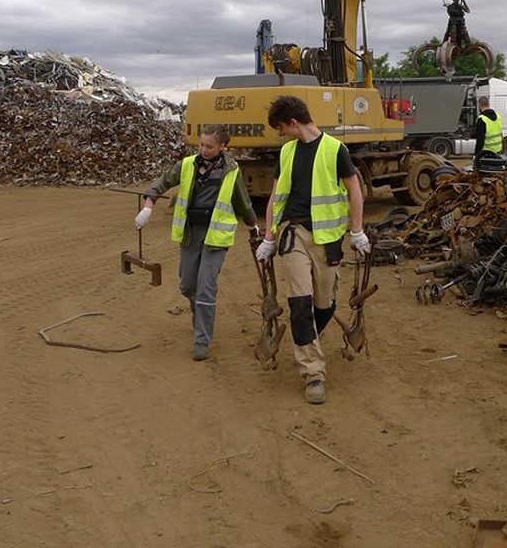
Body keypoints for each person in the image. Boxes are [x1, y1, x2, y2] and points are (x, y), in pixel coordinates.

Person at [255, 95, 370, 405]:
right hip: (294, 235)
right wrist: (269, 237)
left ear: (294, 122)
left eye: (282, 128)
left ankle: (307, 342)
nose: (282, 135)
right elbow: (276, 198)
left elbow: (354, 191)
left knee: (325, 304)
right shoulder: (286, 152)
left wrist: (356, 230)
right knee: (300, 303)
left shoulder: (335, 150)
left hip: (327, 240)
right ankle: (313, 373)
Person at [134, 124, 259, 362]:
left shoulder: (231, 171)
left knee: (206, 287)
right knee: (187, 285)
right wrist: (148, 207)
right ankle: (199, 310)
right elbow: (162, 182)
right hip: (191, 234)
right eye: (201, 144)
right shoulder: (187, 165)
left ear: (223, 147)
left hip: (216, 237)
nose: (203, 149)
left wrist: (254, 227)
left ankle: (202, 340)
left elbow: (243, 202)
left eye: (209, 146)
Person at [474, 97, 503, 161]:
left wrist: (476, 154)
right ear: (488, 104)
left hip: (487, 153)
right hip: (498, 151)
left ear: (479, 105)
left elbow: (480, 140)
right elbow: (501, 134)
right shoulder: (498, 116)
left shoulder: (481, 119)